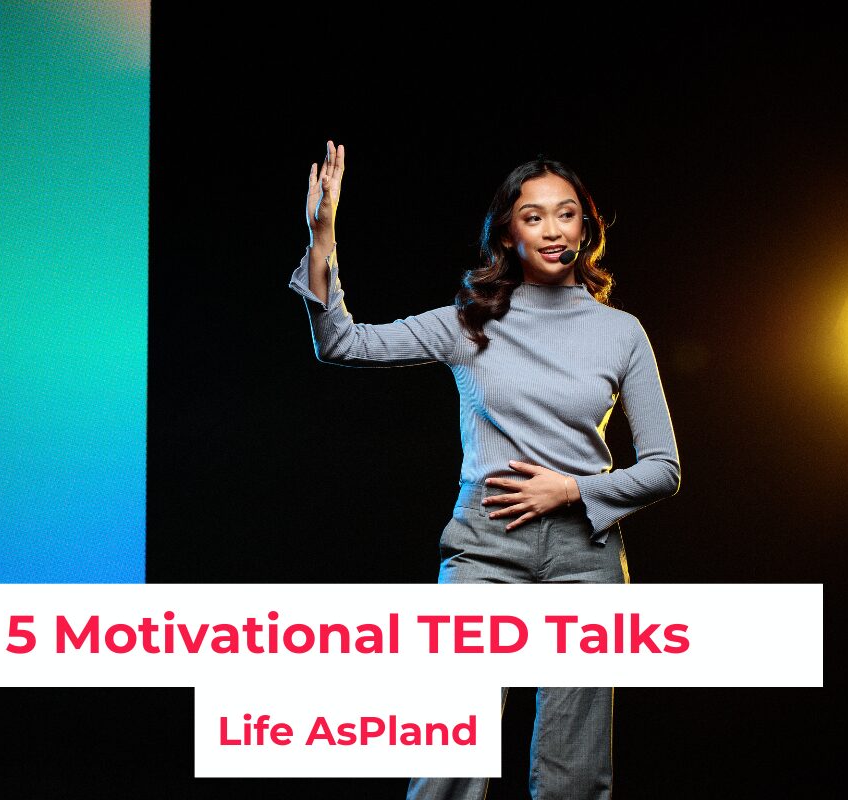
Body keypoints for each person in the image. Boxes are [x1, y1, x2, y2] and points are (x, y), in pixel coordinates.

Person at [288, 140, 680, 800]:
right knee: (449, 765)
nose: (554, 231)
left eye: (567, 215)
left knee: (575, 775)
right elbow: (341, 343)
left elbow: (665, 469)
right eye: (534, 216)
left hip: (585, 558)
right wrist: (322, 237)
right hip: (484, 550)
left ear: (586, 226)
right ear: (507, 231)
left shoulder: (623, 333)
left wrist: (574, 488)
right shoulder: (469, 323)